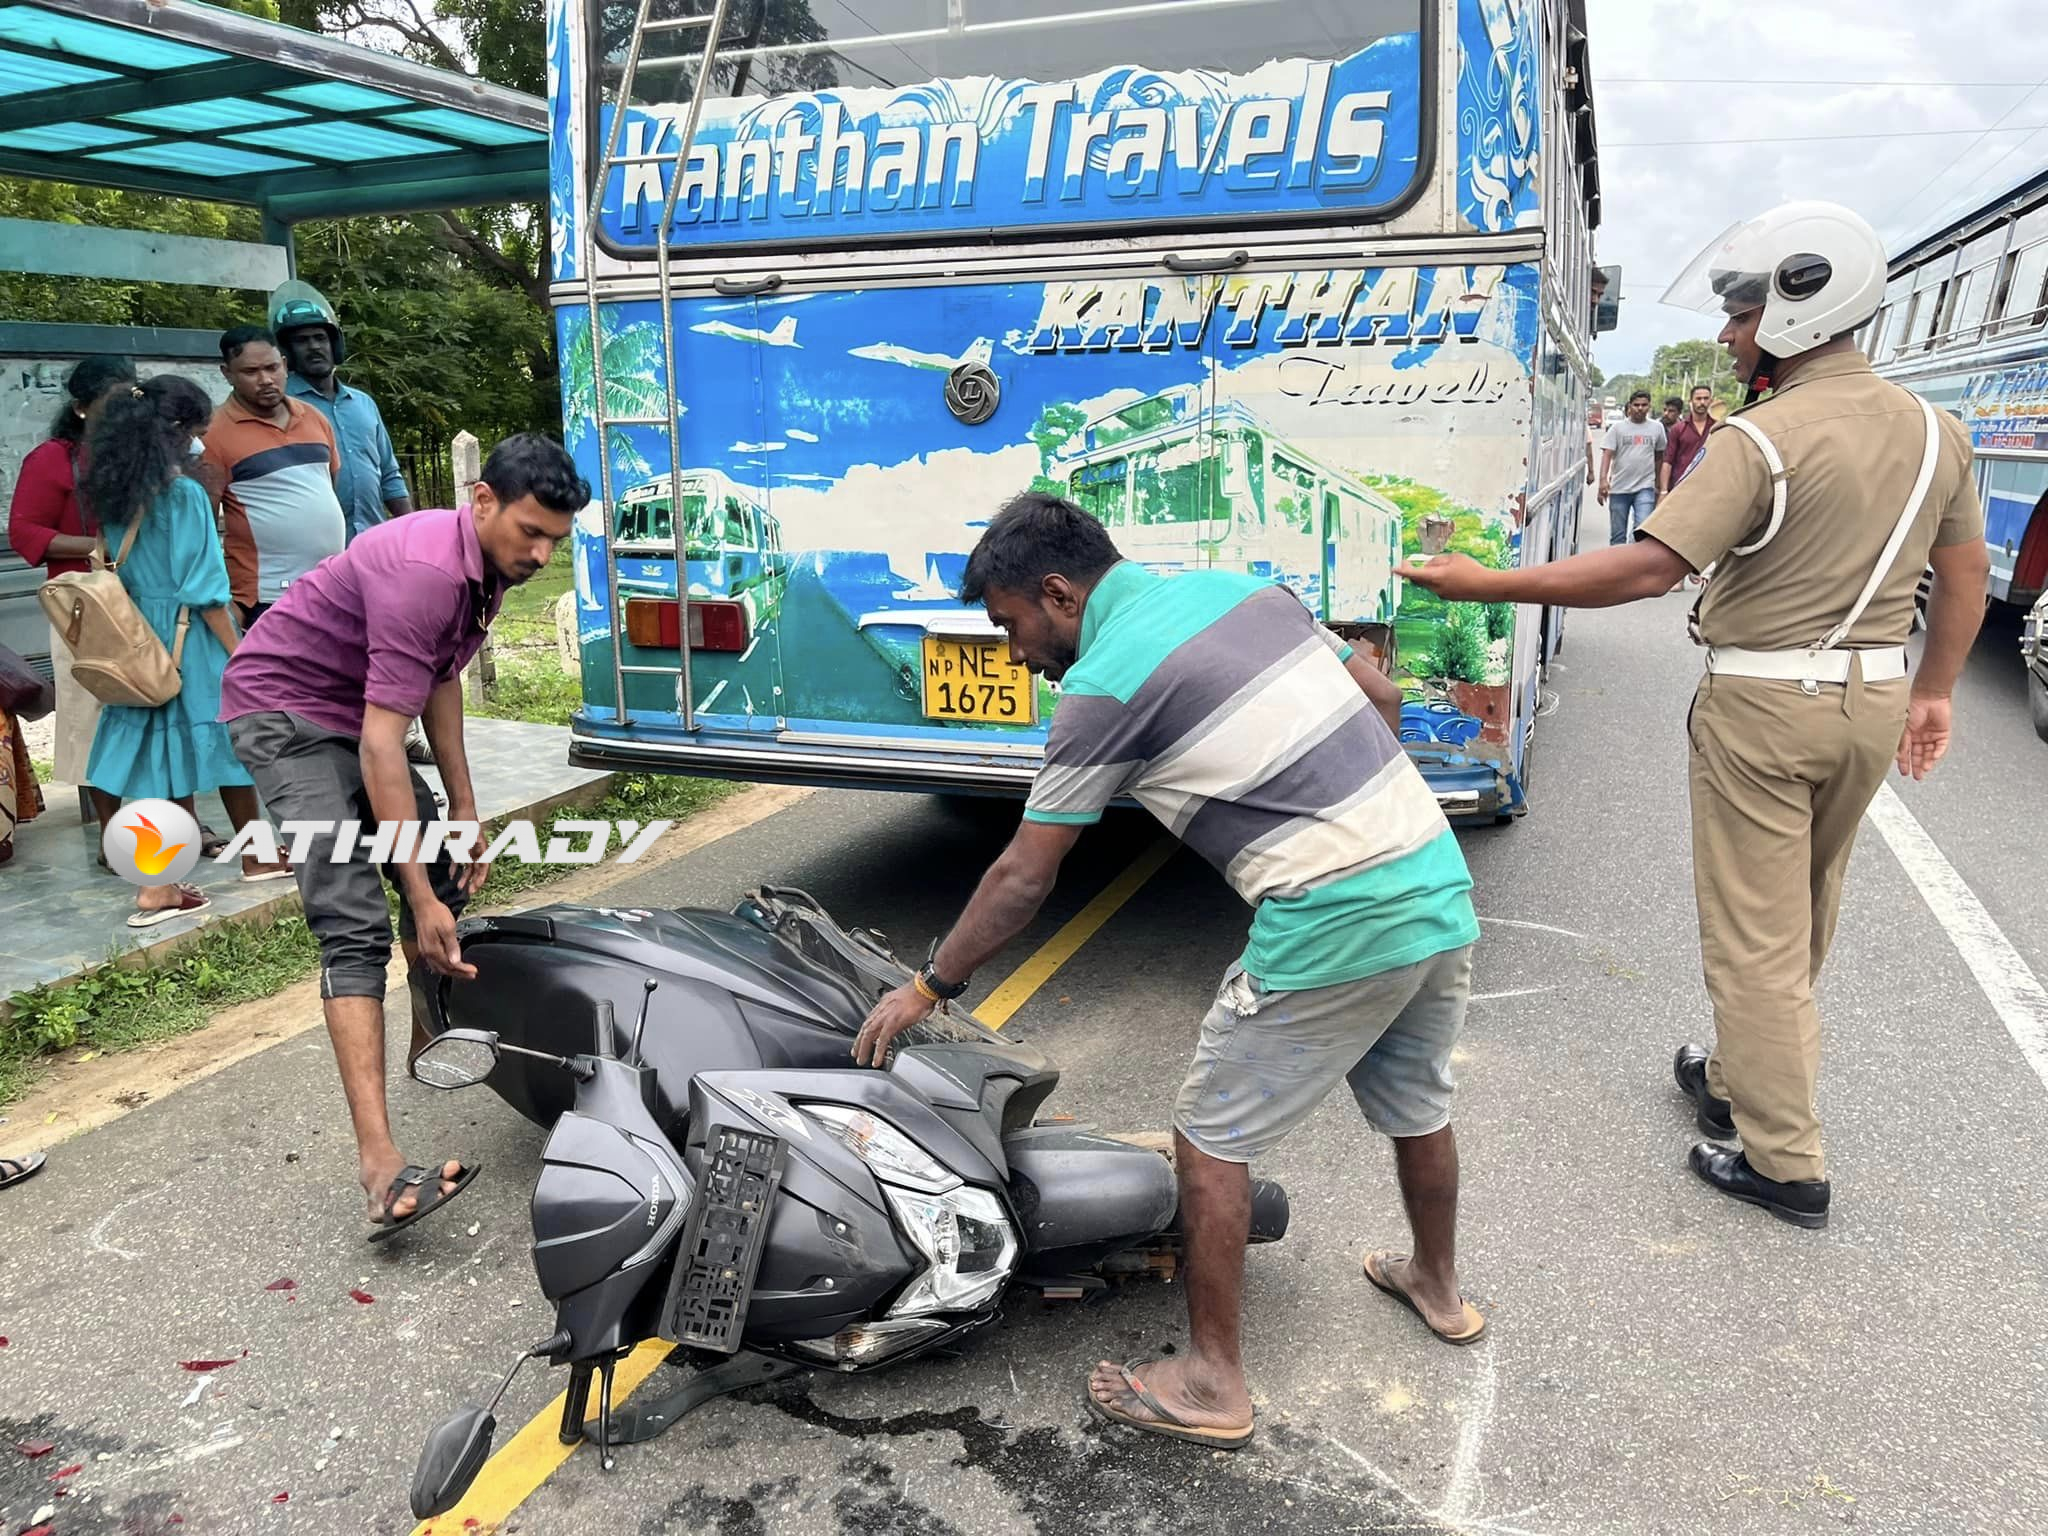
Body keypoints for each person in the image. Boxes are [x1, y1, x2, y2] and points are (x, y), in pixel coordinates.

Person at [1397, 201, 1992, 1230]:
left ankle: (1782, 1160)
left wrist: (1482, 584)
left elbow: (1644, 569)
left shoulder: (1759, 439)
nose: (1727, 333)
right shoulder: (1935, 430)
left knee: (1754, 934)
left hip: (1765, 703)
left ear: (1798, 312)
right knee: (1805, 902)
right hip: (1871, 694)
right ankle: (1731, 1075)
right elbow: (1965, 573)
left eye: (1741, 314)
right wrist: (1933, 692)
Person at [853, 493, 1484, 1447]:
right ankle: (1438, 1286)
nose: (1015, 653)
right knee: (1419, 1106)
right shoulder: (1245, 592)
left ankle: (1211, 1381)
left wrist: (927, 986)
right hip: (1433, 881)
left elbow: (1024, 876)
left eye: (1011, 625)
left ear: (1059, 594)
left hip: (1331, 918)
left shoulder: (1102, 686)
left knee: (1210, 1137)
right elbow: (1384, 701)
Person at [218, 433, 589, 1240]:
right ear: (482, 501)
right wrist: (415, 895)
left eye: (555, 541)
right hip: (285, 712)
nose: (540, 554)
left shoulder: (487, 569)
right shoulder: (425, 571)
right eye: (530, 532)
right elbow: (382, 747)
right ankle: (380, 1166)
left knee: (449, 871)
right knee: (354, 923)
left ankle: (428, 1029)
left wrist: (463, 809)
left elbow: (440, 676)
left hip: (358, 712)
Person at [78, 378, 293, 927]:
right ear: (175, 433)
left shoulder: (117, 494)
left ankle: (160, 882)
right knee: (234, 742)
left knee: (157, 760)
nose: (202, 442)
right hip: (189, 637)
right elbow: (205, 591)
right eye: (197, 430)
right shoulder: (185, 495)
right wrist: (241, 654)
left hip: (138, 643)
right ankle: (256, 856)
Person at [7, 355, 138, 842]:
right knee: (92, 715)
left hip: (144, 599)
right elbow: (25, 532)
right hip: (84, 604)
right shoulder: (53, 458)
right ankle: (112, 833)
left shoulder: (140, 454)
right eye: (112, 403)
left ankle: (170, 820)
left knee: (154, 711)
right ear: (81, 408)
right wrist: (100, 547)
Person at [202, 326, 346, 631]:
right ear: (227, 374)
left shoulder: (314, 418)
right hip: (269, 598)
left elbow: (329, 488)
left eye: (271, 368)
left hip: (332, 586)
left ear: (284, 363)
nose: (266, 379)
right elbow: (203, 524)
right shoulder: (214, 434)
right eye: (251, 371)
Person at [1599, 390, 1667, 546]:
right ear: (1630, 406)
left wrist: (1659, 483)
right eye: (1636, 405)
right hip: (1619, 488)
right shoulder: (1617, 428)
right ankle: (1619, 561)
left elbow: (1659, 456)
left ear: (1649, 406)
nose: (1640, 408)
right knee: (1618, 535)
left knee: (1641, 530)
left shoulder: (1657, 428)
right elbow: (1607, 454)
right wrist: (1603, 481)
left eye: (1644, 405)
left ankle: (1634, 557)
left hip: (1645, 488)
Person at [1663, 384, 1717, 492]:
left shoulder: (1717, 428)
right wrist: (1663, 491)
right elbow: (1668, 461)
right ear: (1691, 401)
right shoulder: (1678, 429)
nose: (1702, 402)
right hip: (1681, 485)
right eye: (1698, 399)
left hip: (1708, 486)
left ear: (1711, 401)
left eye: (1706, 398)